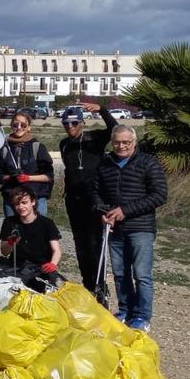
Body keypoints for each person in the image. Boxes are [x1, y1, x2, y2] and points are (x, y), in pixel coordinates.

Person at [92, 126, 167, 331]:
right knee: (120, 273)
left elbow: (159, 195)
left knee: (142, 274)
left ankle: (142, 316)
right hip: (115, 229)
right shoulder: (105, 164)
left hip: (141, 228)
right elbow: (96, 193)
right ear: (112, 142)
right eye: (117, 142)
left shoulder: (148, 163)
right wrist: (103, 211)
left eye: (126, 142)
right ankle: (126, 310)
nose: (121, 146)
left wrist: (125, 210)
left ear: (134, 142)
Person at [59, 103, 117, 289]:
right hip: (73, 199)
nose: (70, 127)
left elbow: (116, 129)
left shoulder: (95, 138)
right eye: (66, 124)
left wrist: (102, 109)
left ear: (82, 123)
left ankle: (99, 283)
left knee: (94, 242)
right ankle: (88, 283)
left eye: (74, 123)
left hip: (93, 198)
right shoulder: (64, 144)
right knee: (80, 242)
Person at [0, 110, 54, 217]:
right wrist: (9, 177)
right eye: (15, 124)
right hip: (12, 199)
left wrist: (28, 178)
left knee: (37, 230)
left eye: (23, 125)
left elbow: (48, 177)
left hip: (36, 198)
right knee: (14, 231)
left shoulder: (37, 147)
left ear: (29, 127)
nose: (19, 127)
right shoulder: (5, 149)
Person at [0, 186, 63, 278]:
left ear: (33, 202)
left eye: (24, 203)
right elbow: (4, 252)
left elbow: (56, 250)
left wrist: (53, 264)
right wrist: (10, 243)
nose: (20, 207)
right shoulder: (9, 222)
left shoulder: (47, 223)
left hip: (42, 267)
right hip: (17, 268)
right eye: (17, 204)